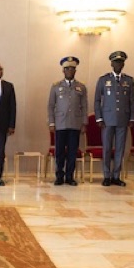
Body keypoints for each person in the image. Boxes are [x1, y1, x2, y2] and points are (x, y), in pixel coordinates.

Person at [93, 51, 134, 186]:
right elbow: (97, 100)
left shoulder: (129, 80)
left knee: (120, 149)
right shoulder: (103, 80)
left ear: (123, 64)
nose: (118, 64)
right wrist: (99, 118)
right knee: (106, 148)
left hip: (123, 119)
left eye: (121, 62)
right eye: (116, 62)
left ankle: (116, 176)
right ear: (111, 64)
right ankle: (106, 175)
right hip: (107, 119)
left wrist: (132, 118)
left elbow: (131, 101)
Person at [47, 56, 88, 186]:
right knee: (59, 151)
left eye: (72, 69)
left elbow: (84, 106)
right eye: (67, 69)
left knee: (72, 152)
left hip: (75, 124)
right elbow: (50, 106)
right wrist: (51, 122)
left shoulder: (81, 87)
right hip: (60, 124)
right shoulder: (56, 86)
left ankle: (70, 176)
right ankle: (59, 176)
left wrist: (84, 123)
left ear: (75, 71)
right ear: (63, 71)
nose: (70, 71)